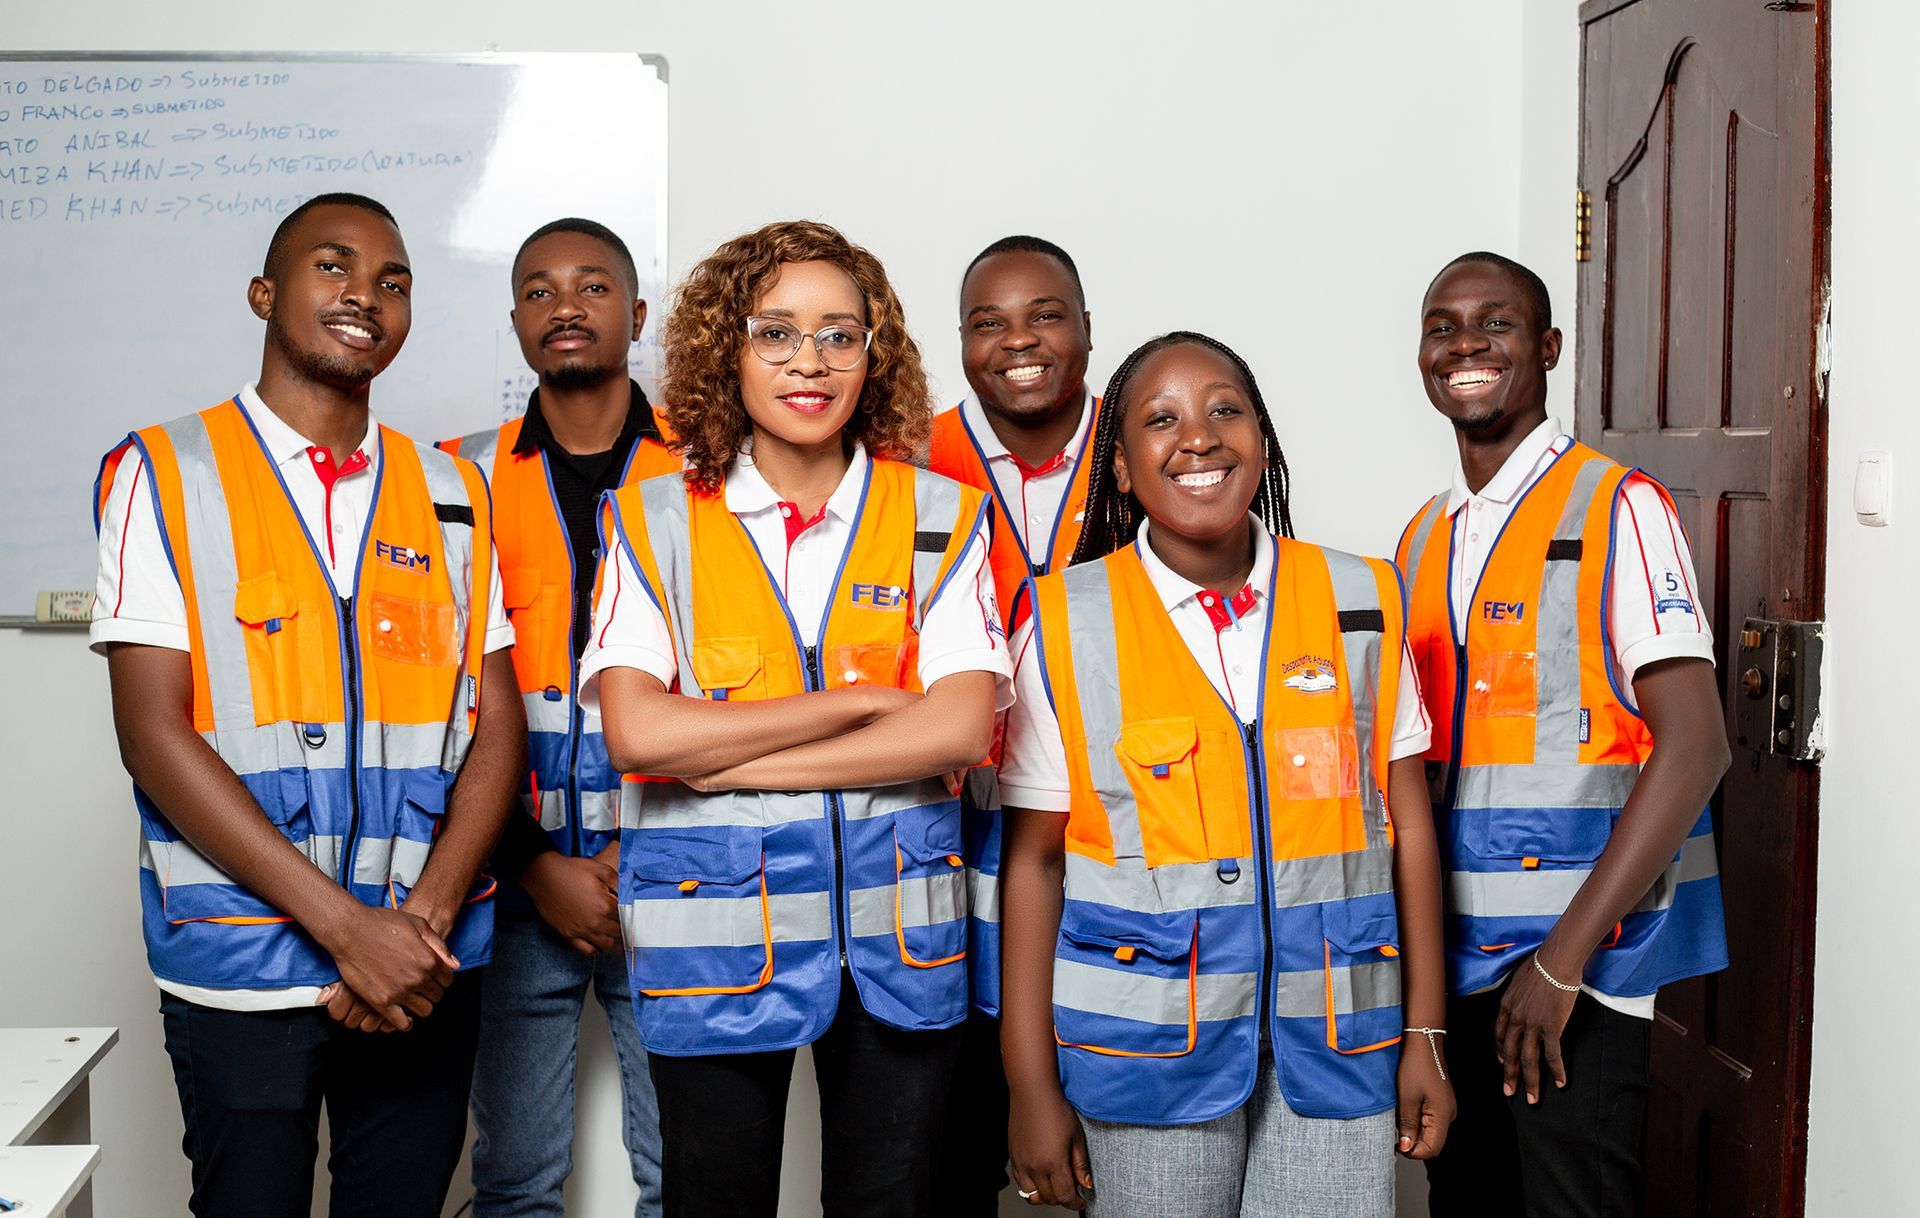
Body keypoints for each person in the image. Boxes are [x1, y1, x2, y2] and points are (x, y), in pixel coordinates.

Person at [91, 192, 523, 1217]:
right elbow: (152, 734)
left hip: (424, 964)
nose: (365, 295)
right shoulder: (162, 472)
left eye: (394, 281)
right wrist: (345, 929)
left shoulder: (453, 487)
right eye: (334, 266)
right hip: (244, 960)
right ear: (264, 293)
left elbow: (498, 724)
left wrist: (420, 922)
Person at [580, 219, 1010, 1217]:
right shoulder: (650, 521)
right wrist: (855, 705)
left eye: (839, 335)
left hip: (901, 945)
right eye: (775, 333)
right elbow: (638, 736)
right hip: (714, 937)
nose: (808, 362)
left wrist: (722, 760)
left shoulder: (944, 519)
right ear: (726, 350)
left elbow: (955, 730)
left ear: (876, 354)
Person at [1000, 332, 1454, 1215]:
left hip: (1340, 1040)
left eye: (1225, 410)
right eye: (1161, 419)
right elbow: (1035, 863)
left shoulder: (1364, 597)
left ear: (1263, 438)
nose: (1198, 437)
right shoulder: (1062, 624)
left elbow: (1408, 829)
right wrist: (1029, 1084)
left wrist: (1426, 1033)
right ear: (1123, 468)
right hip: (1146, 1054)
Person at [1397, 252, 1729, 1218]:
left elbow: (1698, 745)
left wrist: (1560, 963)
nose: (1465, 344)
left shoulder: (1618, 506)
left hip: (1574, 974)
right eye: (1442, 325)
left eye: (1494, 324)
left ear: (1546, 348)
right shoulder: (1421, 538)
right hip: (1459, 970)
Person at [443, 218, 678, 1217]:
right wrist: (538, 867)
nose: (566, 305)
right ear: (515, 322)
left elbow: (745, 692)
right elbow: (436, 707)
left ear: (637, 312)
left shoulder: (712, 476)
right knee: (515, 1177)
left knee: (687, 1173)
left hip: (674, 875)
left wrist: (642, 856)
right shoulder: (455, 481)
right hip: (508, 879)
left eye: (591, 286)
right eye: (540, 290)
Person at [925, 234, 1098, 1212]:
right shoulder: (910, 459)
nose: (1018, 341)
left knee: (1128, 1173)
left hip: (1114, 873)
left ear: (1085, 331)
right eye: (989, 322)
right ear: (961, 341)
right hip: (944, 873)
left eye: (1044, 316)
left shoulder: (1157, 443)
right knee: (947, 1174)